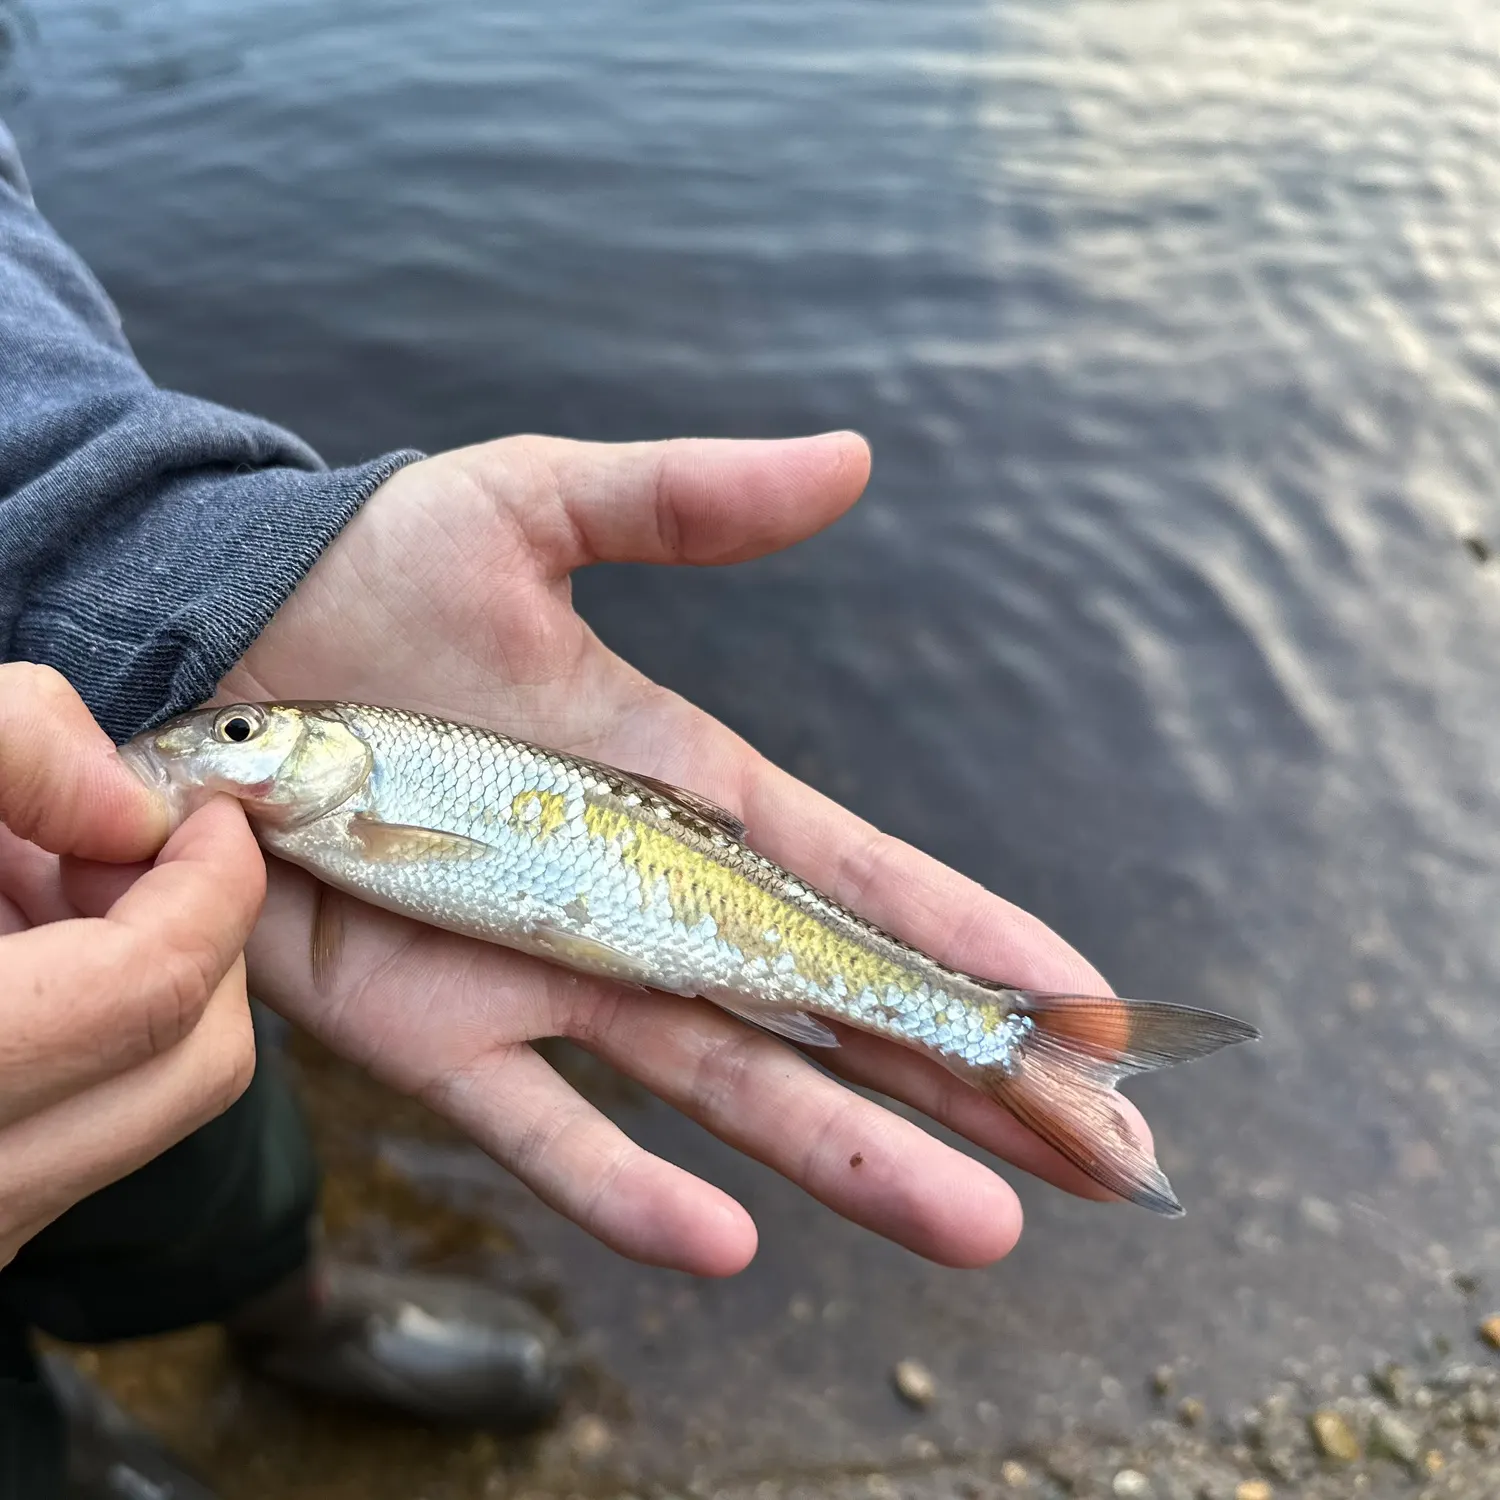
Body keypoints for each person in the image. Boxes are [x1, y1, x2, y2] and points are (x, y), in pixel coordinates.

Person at [0, 116, 1145, 1498]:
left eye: (247, 732)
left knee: (181, 1116)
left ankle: (281, 1315)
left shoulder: (326, 807)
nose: (225, 749)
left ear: (316, 752)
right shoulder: (324, 816)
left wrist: (142, 548)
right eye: (237, 733)